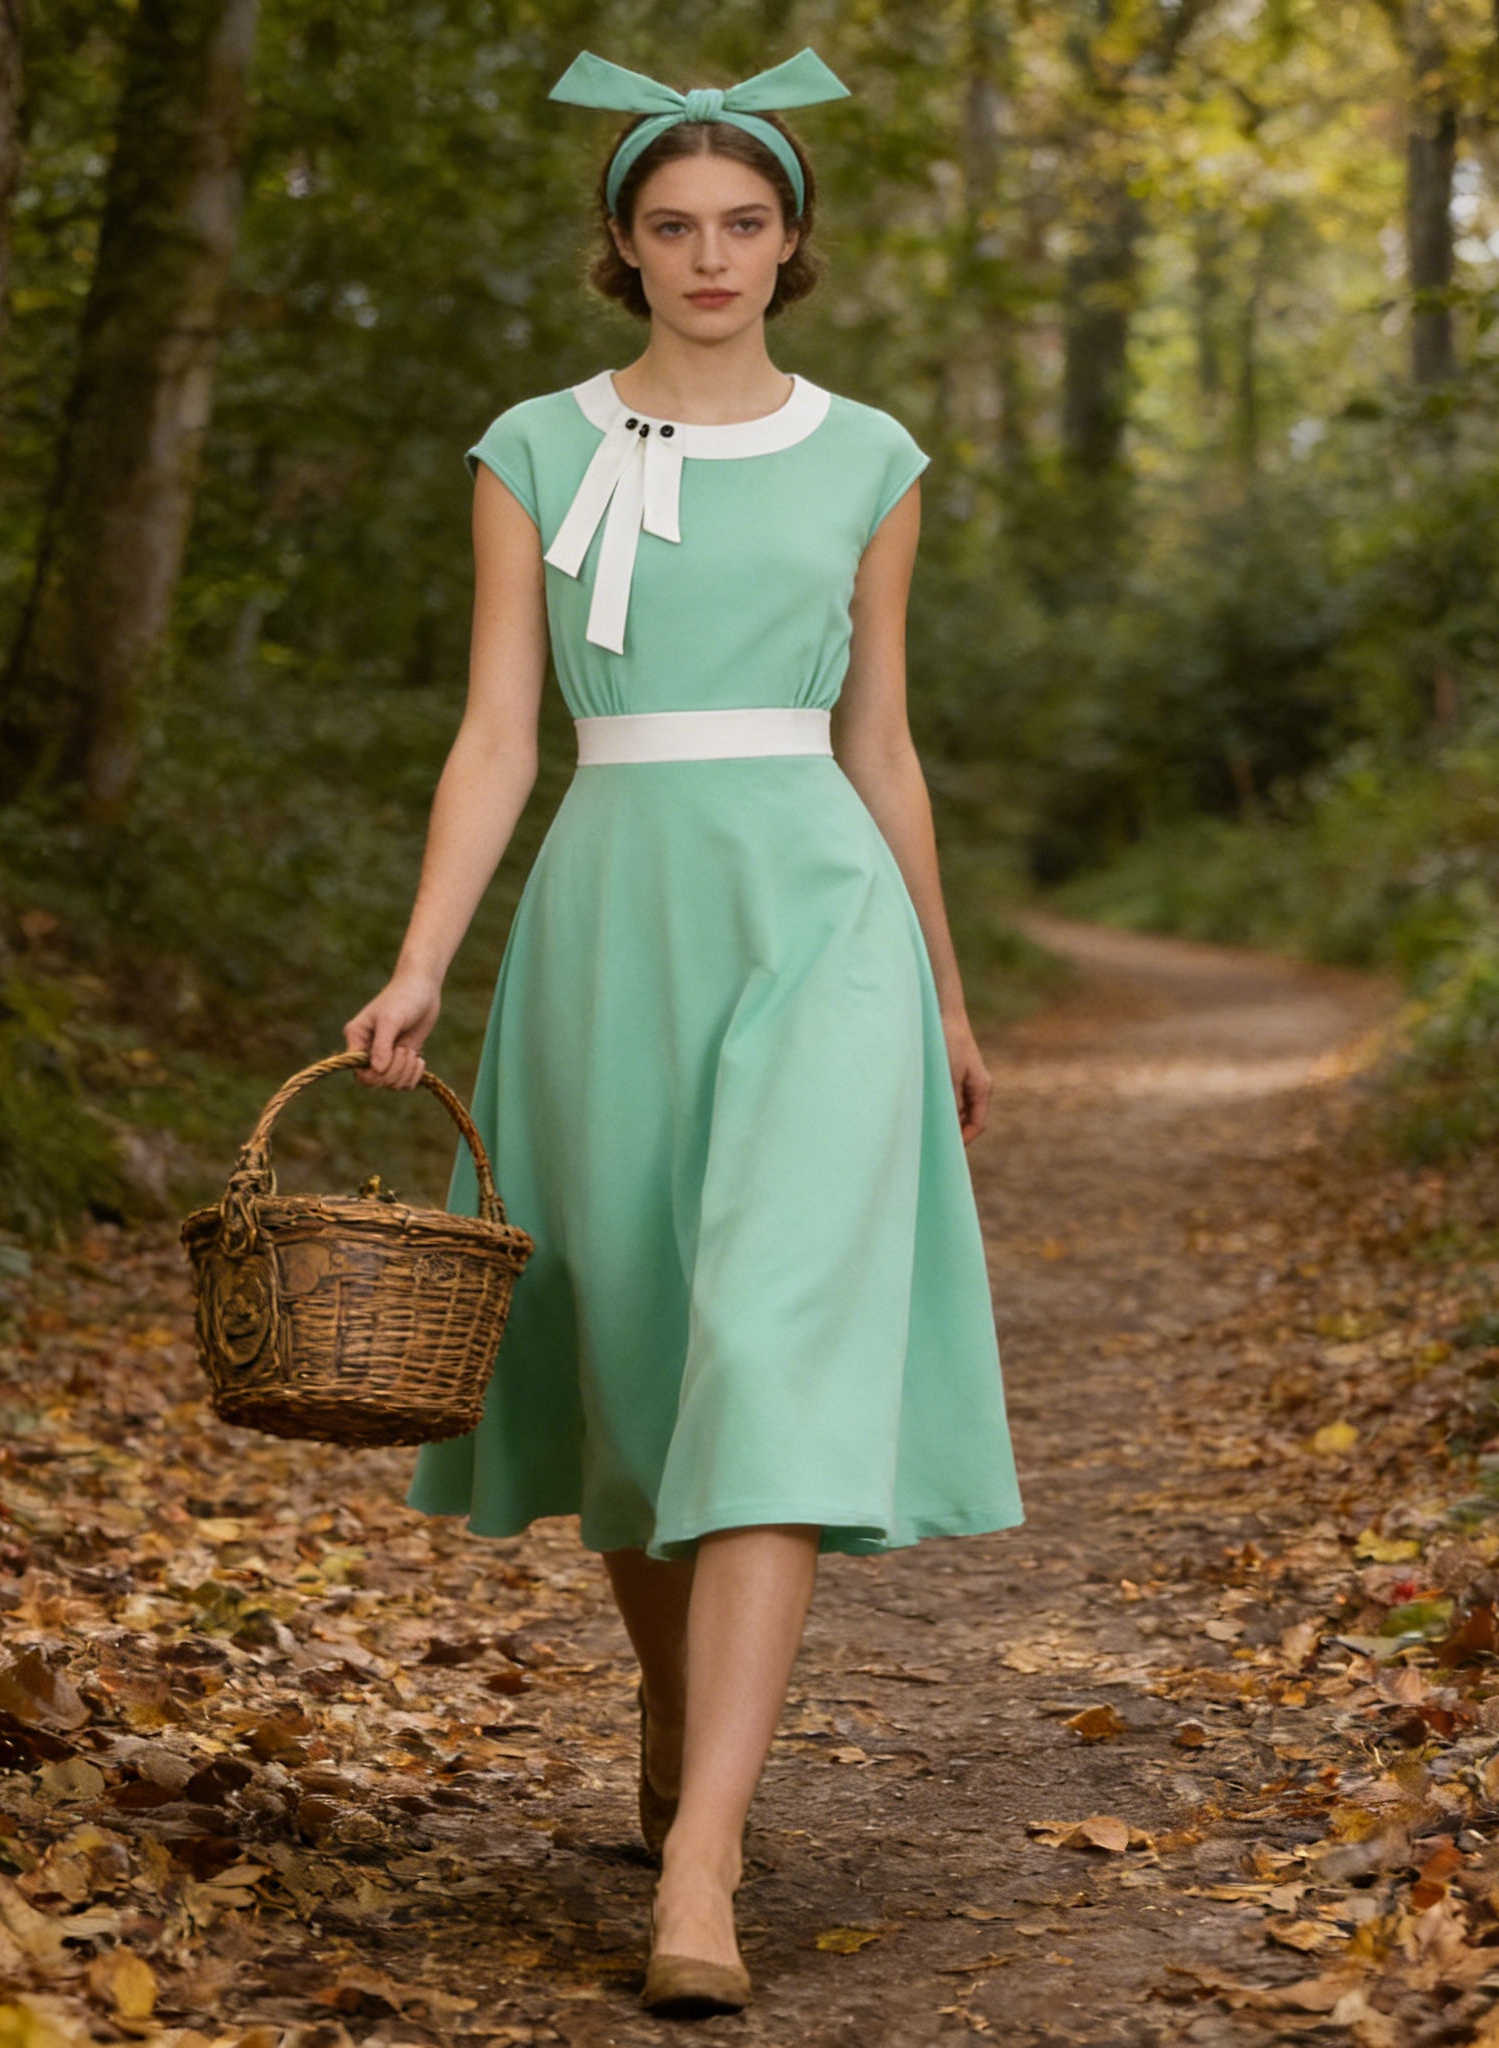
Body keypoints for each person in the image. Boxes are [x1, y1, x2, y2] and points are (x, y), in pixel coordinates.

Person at [342, 48, 1024, 2020]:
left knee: (769, 1336)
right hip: (609, 914)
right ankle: (672, 1706)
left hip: (817, 919)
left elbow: (882, 744)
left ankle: (705, 1852)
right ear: (621, 248)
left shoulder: (869, 456)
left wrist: (948, 987)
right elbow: (497, 734)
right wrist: (417, 960)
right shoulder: (529, 449)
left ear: (790, 245)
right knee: (637, 1371)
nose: (706, 256)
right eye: (671, 228)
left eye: (742, 226)